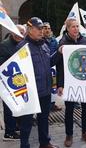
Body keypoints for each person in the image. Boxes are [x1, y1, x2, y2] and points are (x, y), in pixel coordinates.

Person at [17, 17, 59, 148]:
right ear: (30, 29)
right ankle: (24, 145)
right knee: (26, 122)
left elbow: (49, 63)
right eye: (39, 29)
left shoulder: (44, 45)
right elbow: (19, 72)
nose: (42, 31)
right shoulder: (22, 47)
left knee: (43, 119)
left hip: (45, 91)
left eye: (42, 29)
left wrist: (59, 53)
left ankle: (44, 143)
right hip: (31, 93)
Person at [57, 17, 86, 147]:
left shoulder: (85, 40)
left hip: (84, 81)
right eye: (73, 26)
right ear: (67, 28)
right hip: (69, 83)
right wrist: (60, 85)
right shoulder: (63, 43)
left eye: (77, 26)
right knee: (70, 110)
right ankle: (69, 135)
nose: (76, 29)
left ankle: (85, 132)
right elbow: (60, 66)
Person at [0, 25, 26, 141]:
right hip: (7, 82)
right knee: (9, 107)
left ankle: (15, 127)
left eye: (21, 32)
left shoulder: (22, 44)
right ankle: (9, 133)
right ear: (12, 32)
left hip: (19, 81)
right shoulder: (4, 45)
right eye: (17, 32)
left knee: (17, 106)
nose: (19, 34)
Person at [43, 22, 62, 112]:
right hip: (44, 67)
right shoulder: (40, 41)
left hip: (53, 68)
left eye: (48, 28)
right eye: (45, 28)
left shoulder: (54, 41)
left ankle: (52, 104)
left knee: (53, 86)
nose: (47, 30)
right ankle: (45, 105)